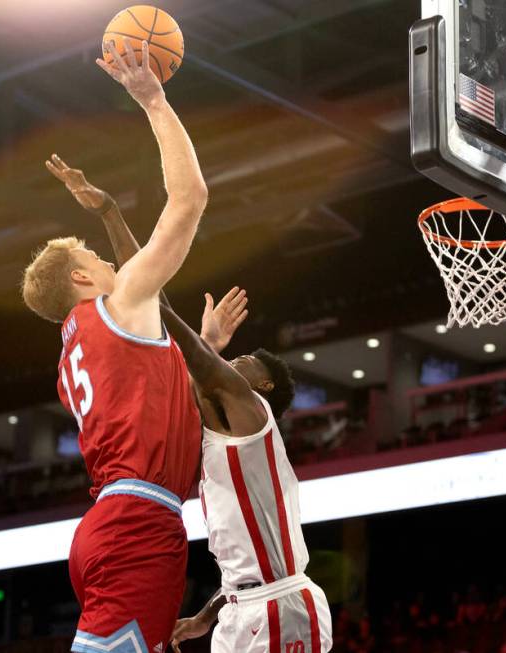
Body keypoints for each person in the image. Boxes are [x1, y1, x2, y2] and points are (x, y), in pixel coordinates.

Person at [44, 158, 332, 652]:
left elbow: (177, 334)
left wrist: (151, 296)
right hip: (241, 607)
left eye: (238, 362)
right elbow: (247, 567)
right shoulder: (210, 431)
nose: (226, 365)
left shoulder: (248, 412)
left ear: (258, 388)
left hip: (279, 606)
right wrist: (205, 615)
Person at [21, 38, 208, 653]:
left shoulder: (74, 350)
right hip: (136, 524)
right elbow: (189, 201)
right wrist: (154, 102)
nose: (107, 263)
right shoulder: (117, 307)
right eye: (95, 259)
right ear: (80, 279)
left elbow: (144, 322)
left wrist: (105, 212)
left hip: (111, 521)